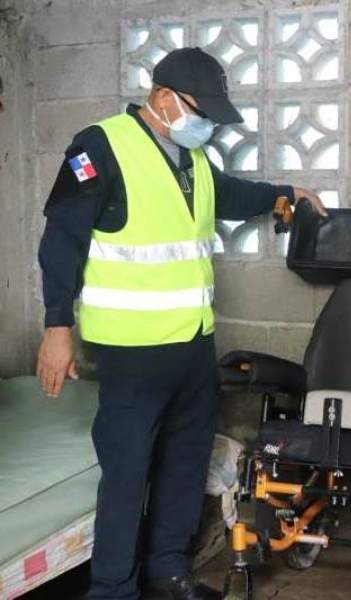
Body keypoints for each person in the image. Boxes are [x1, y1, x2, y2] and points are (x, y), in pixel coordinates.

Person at [36, 47, 325, 600]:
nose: (207, 123)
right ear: (164, 97)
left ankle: (168, 576)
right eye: (201, 111)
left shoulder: (190, 157)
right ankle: (113, 590)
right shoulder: (99, 147)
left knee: (186, 463)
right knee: (127, 474)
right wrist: (56, 326)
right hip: (132, 351)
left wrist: (285, 193)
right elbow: (61, 240)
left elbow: (229, 193)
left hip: (192, 345)